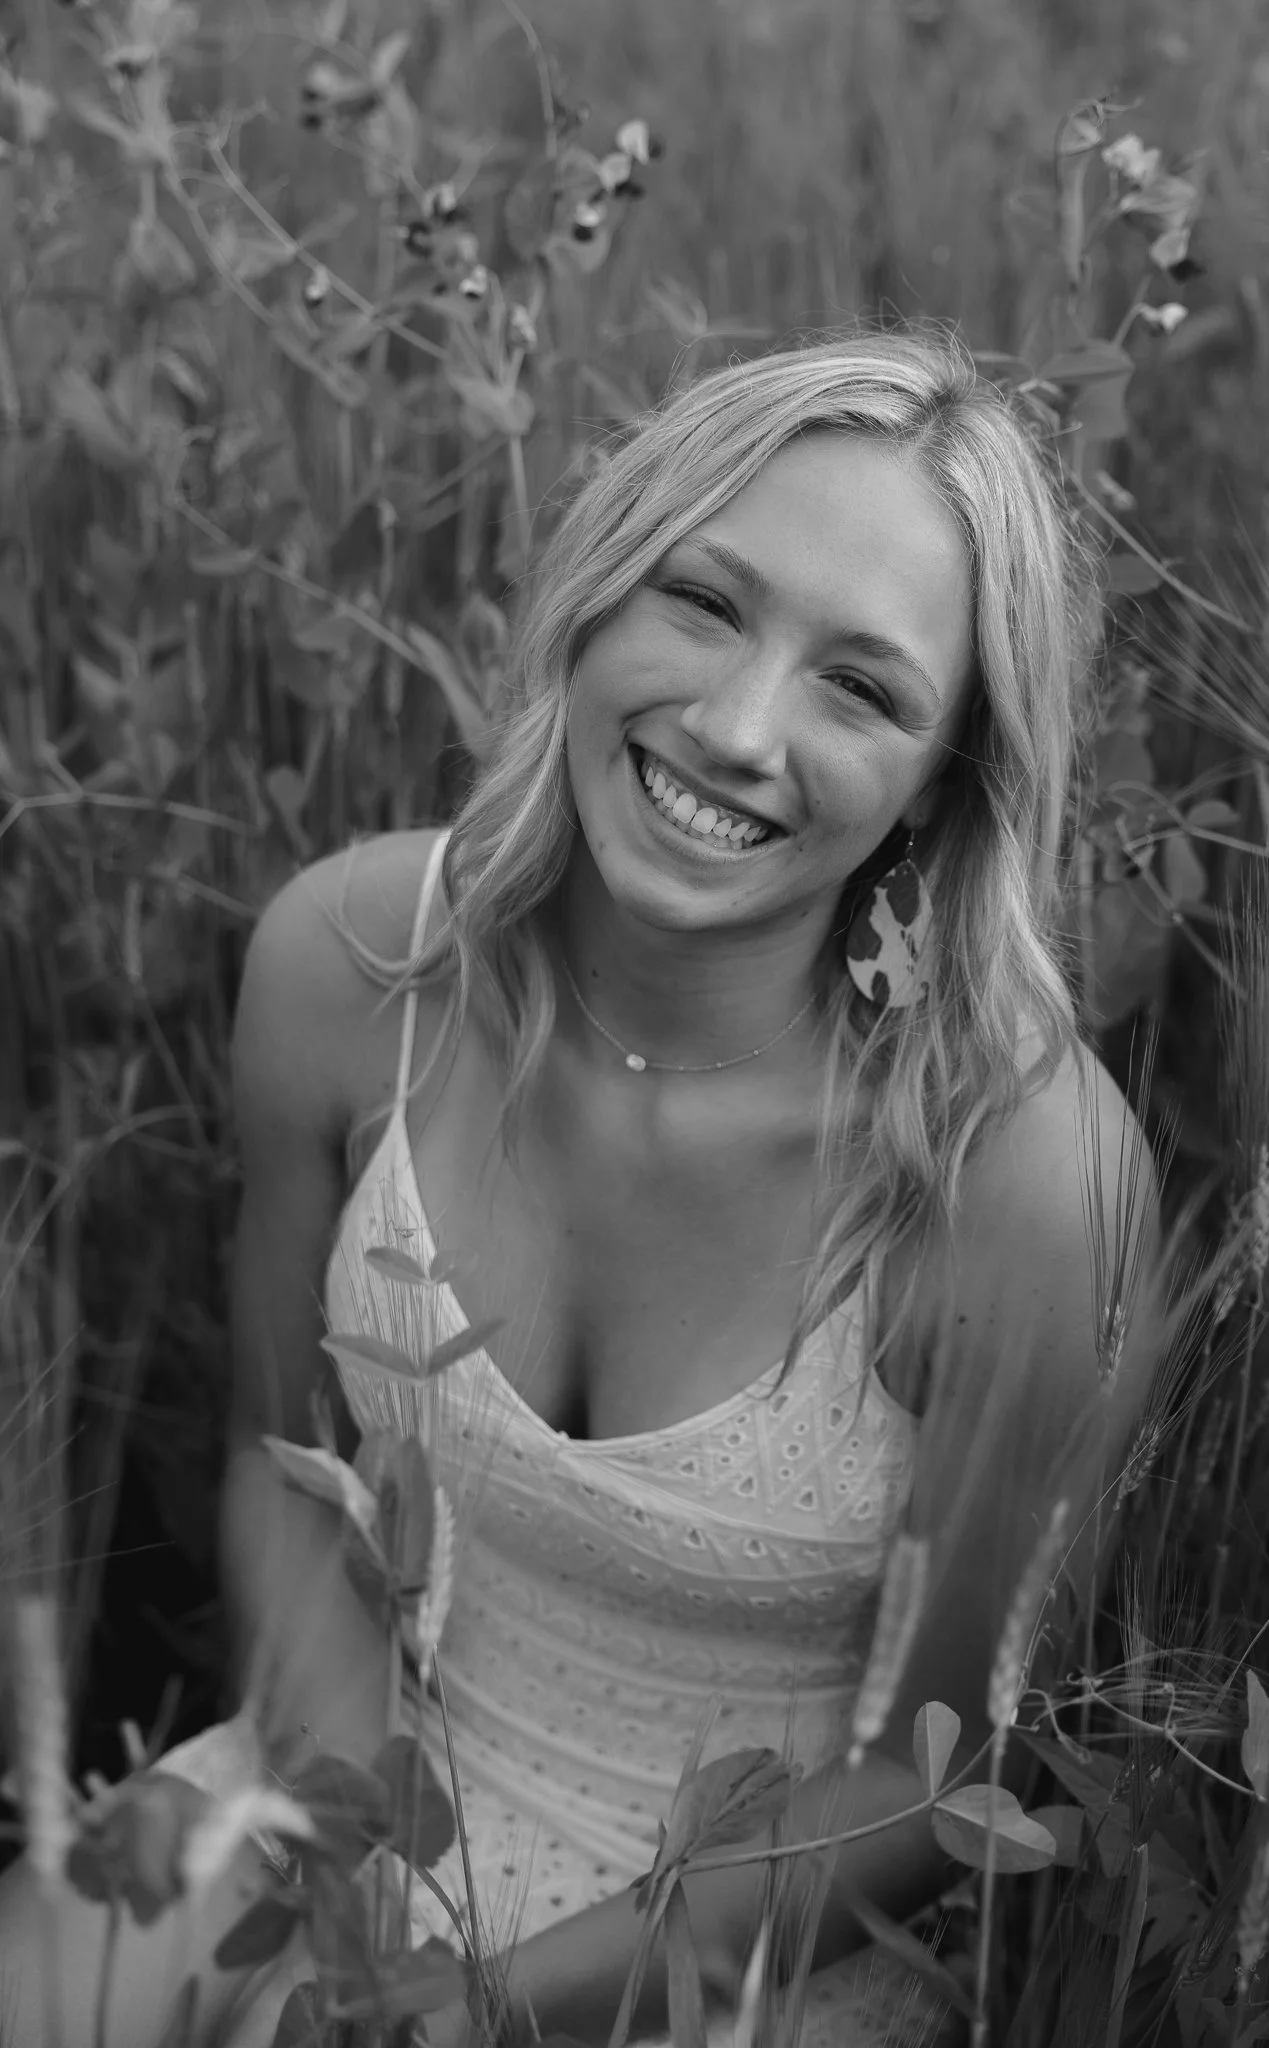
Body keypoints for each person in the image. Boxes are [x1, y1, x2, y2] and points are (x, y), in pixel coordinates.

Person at [0, 330, 1160, 2045]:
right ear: (600, 590)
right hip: (355, 1794)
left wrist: (479, 2007)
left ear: (943, 786)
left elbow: (945, 1772)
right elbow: (276, 1463)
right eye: (703, 600)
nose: (739, 726)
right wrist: (355, 1884)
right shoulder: (353, 966)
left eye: (863, 687)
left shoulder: (1025, 1182)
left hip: (753, 1946)